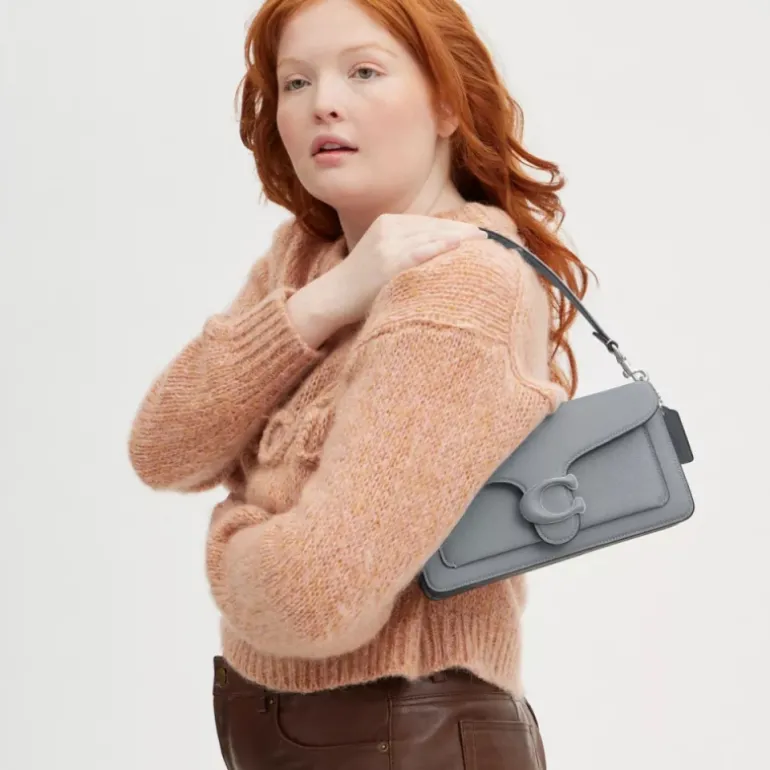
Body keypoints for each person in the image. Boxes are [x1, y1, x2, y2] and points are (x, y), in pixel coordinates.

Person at [128, 0, 592, 767]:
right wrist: (323, 304)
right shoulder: (305, 262)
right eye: (296, 81)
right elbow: (163, 449)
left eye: (365, 71)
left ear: (447, 104)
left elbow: (313, 599)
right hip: (328, 737)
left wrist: (229, 529)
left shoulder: (459, 284)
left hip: (405, 736)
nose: (325, 103)